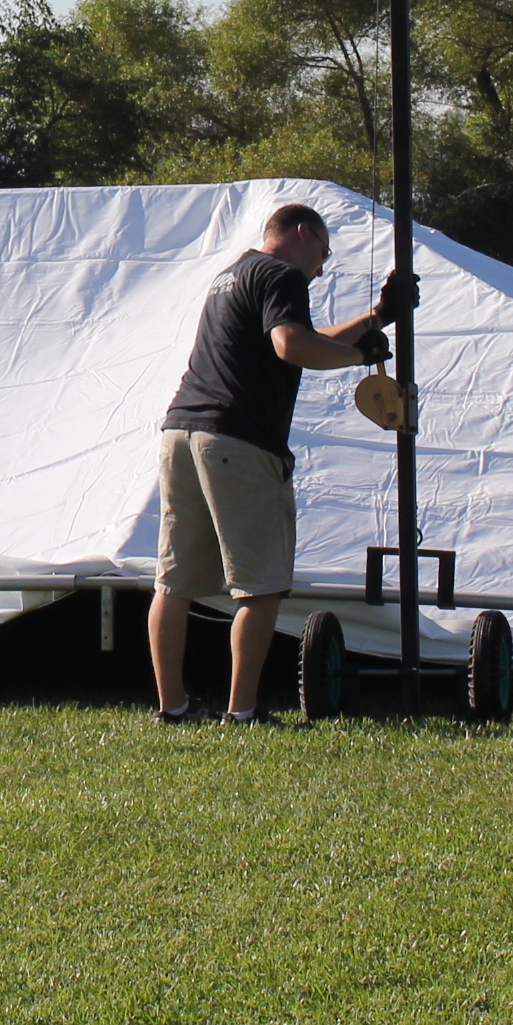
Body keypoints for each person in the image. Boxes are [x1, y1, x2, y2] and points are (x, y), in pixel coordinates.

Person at [149, 201, 412, 725]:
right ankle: (242, 711)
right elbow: (291, 345)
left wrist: (375, 320)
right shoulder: (282, 275)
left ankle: (173, 707)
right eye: (323, 253)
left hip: (181, 431)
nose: (320, 268)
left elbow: (296, 340)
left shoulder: (233, 274)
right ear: (300, 232)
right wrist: (364, 358)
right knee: (261, 584)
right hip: (239, 439)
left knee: (173, 583)